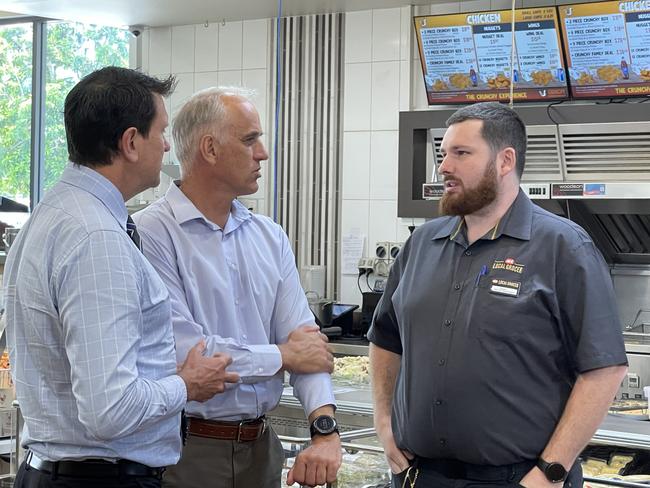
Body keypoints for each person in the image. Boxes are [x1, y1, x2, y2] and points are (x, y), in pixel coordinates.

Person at [368, 102, 628, 488]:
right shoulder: (422, 243)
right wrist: (385, 425)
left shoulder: (562, 246)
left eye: (461, 153)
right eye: (442, 154)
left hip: (519, 479)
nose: (444, 167)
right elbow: (385, 340)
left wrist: (551, 472)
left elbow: (604, 368)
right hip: (419, 475)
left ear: (505, 161)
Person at [3, 67, 239, 488]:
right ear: (131, 142)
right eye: (161, 133)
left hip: (63, 472)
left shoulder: (55, 213)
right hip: (100, 479)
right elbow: (110, 409)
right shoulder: (96, 238)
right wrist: (185, 384)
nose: (167, 146)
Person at [133, 86, 342, 488]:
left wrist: (325, 429)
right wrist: (284, 355)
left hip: (262, 451)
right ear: (209, 149)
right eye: (250, 140)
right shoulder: (150, 234)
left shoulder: (269, 236)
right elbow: (190, 354)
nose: (263, 153)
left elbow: (308, 348)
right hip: (185, 451)